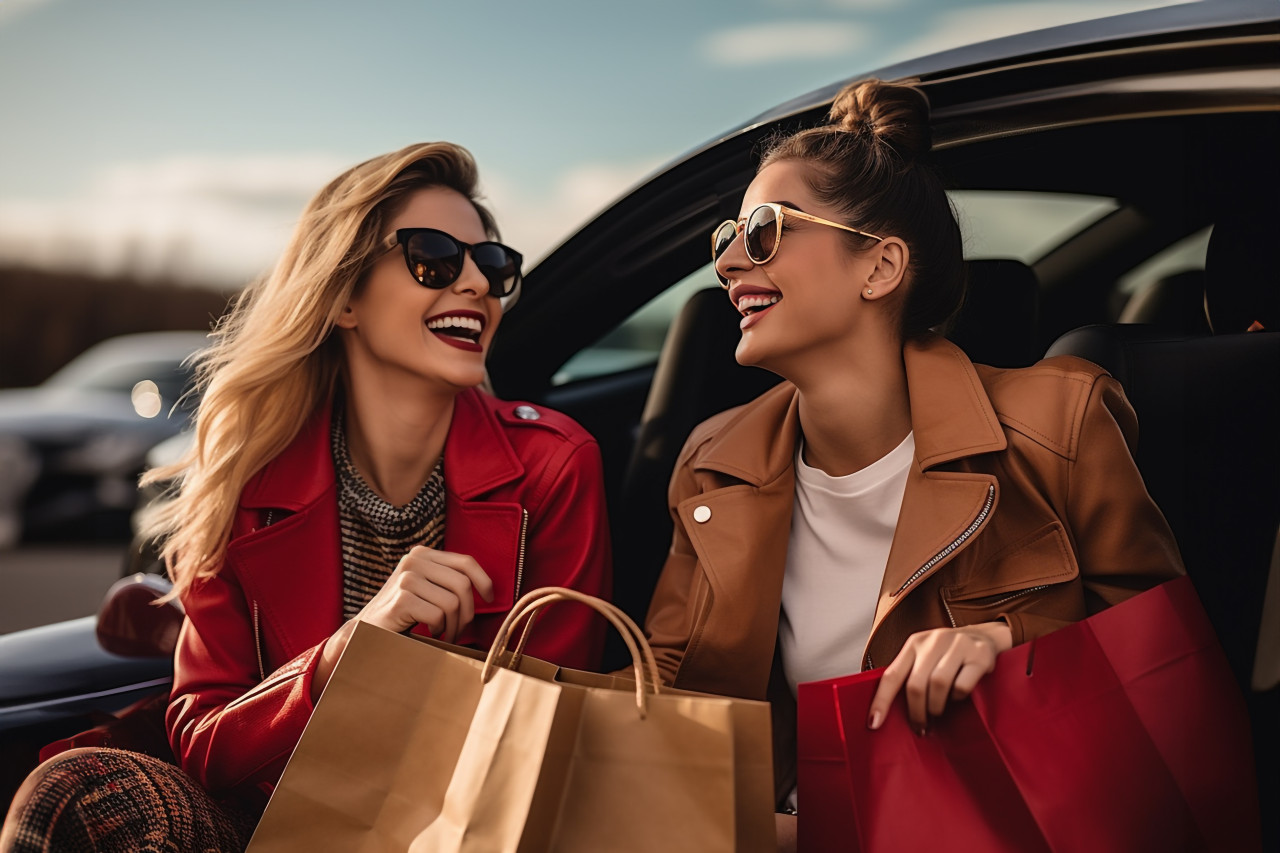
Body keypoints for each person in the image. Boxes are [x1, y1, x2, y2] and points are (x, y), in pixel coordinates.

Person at [0, 142, 612, 852]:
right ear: (344, 296)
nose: (476, 282)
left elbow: (550, 731)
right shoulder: (244, 478)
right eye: (435, 258)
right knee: (74, 788)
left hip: (466, 826)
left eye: (494, 264)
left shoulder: (556, 464)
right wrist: (346, 654)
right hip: (275, 821)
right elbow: (206, 740)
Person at [639, 80, 1184, 852]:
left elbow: (1160, 676)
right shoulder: (711, 464)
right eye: (729, 233)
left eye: (764, 230)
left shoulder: (1060, 426)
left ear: (881, 267)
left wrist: (1011, 643)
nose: (728, 262)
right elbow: (667, 693)